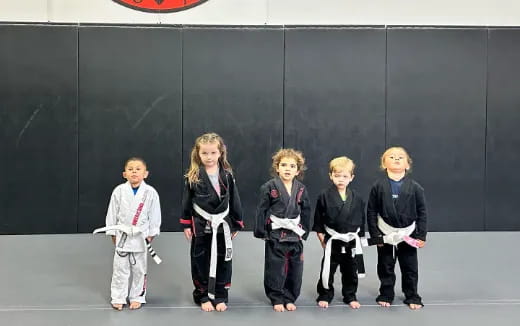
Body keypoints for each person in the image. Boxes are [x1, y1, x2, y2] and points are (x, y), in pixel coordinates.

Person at [180, 133, 244, 312]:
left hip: (222, 224)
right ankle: (202, 295)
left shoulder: (228, 176)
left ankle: (221, 295)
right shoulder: (193, 176)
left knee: (223, 259)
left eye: (213, 153)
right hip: (200, 225)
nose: (209, 157)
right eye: (205, 153)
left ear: (220, 153)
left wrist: (237, 222)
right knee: (200, 260)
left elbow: (235, 200)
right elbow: (186, 202)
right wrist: (186, 224)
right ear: (198, 154)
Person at [367, 147, 427, 310]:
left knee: (410, 266)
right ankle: (386, 293)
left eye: (401, 157)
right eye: (391, 157)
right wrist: (375, 235)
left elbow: (422, 212)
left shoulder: (416, 188)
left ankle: (412, 295)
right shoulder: (378, 186)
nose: (396, 159)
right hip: (385, 233)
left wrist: (421, 236)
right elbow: (371, 211)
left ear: (407, 165)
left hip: (409, 233)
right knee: (385, 265)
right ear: (384, 163)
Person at [254, 148, 311, 312]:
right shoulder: (269, 187)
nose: (288, 169)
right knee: (275, 267)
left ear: (298, 170)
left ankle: (290, 297)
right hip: (276, 234)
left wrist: (304, 230)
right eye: (284, 165)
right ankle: (276, 297)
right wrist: (261, 231)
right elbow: (261, 210)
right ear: (277, 167)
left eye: (292, 166)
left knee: (295, 268)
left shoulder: (301, 189)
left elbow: (306, 210)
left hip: (295, 234)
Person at [105, 157, 161, 311]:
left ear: (146, 174)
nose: (134, 172)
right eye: (130, 169)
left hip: (140, 237)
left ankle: (137, 296)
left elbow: (154, 215)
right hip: (122, 236)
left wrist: (151, 234)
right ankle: (118, 297)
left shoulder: (150, 193)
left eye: (138, 169)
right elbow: (112, 213)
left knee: (139, 269)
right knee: (120, 268)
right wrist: (112, 233)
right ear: (124, 174)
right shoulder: (119, 191)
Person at [313, 156, 366, 309]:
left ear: (351, 178)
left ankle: (350, 295)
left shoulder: (357, 198)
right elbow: (318, 218)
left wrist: (360, 237)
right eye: (337, 176)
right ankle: (325, 294)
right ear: (331, 176)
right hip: (333, 238)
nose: (341, 179)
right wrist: (321, 236)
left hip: (351, 240)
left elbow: (361, 219)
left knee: (351, 270)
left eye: (345, 176)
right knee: (328, 268)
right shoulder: (324, 196)